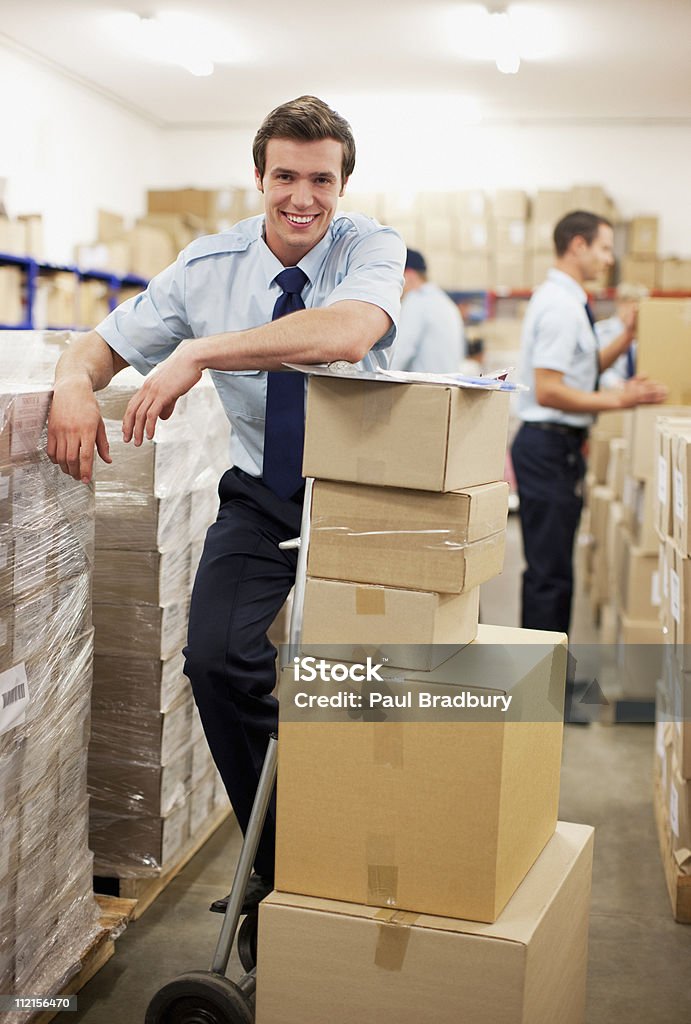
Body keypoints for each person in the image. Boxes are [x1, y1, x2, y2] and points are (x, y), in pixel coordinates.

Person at [47, 95, 405, 910]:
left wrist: (202, 352)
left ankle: (368, 853)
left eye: (321, 179)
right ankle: (281, 866)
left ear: (343, 185)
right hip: (262, 495)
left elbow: (348, 332)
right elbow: (101, 344)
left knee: (365, 696)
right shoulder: (208, 267)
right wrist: (73, 382)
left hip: (362, 494)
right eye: (285, 176)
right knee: (215, 660)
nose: (302, 198)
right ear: (258, 177)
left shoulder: (369, 246)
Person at [511, 210, 667, 638]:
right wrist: (622, 398)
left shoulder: (569, 300)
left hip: (555, 447)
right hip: (547, 449)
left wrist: (627, 337)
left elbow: (584, 369)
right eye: (602, 248)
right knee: (549, 576)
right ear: (577, 245)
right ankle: (541, 689)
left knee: (556, 569)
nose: (608, 259)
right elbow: (549, 390)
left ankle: (549, 677)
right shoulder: (561, 306)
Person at [388, 248, 465, 373]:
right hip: (446, 387)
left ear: (409, 275)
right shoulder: (445, 302)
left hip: (425, 389)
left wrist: (374, 379)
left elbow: (400, 352)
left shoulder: (416, 300)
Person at [595, 282, 649, 389]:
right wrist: (621, 385)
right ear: (619, 303)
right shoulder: (601, 331)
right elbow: (597, 368)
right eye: (630, 303)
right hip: (612, 392)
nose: (634, 308)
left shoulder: (647, 333)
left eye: (639, 303)